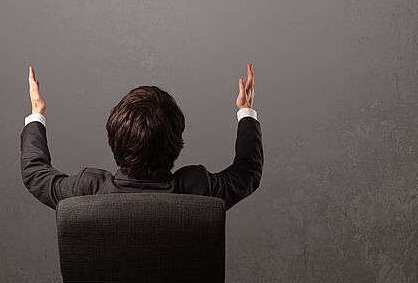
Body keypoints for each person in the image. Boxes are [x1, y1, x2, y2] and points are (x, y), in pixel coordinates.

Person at [20, 63, 263, 211]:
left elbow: (35, 174)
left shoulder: (88, 191)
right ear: (176, 143)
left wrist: (37, 113)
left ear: (114, 138)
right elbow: (248, 171)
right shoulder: (198, 189)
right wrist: (246, 111)